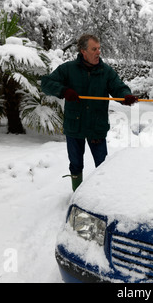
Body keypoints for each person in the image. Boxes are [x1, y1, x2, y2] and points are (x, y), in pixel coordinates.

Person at [41, 34, 138, 191]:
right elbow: (46, 83)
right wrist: (64, 90)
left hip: (96, 127)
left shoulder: (105, 71)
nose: (98, 52)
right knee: (76, 164)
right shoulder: (68, 69)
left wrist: (125, 96)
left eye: (99, 48)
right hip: (75, 126)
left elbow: (118, 87)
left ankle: (102, 196)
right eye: (94, 49)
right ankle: (77, 195)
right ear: (83, 51)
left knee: (102, 164)